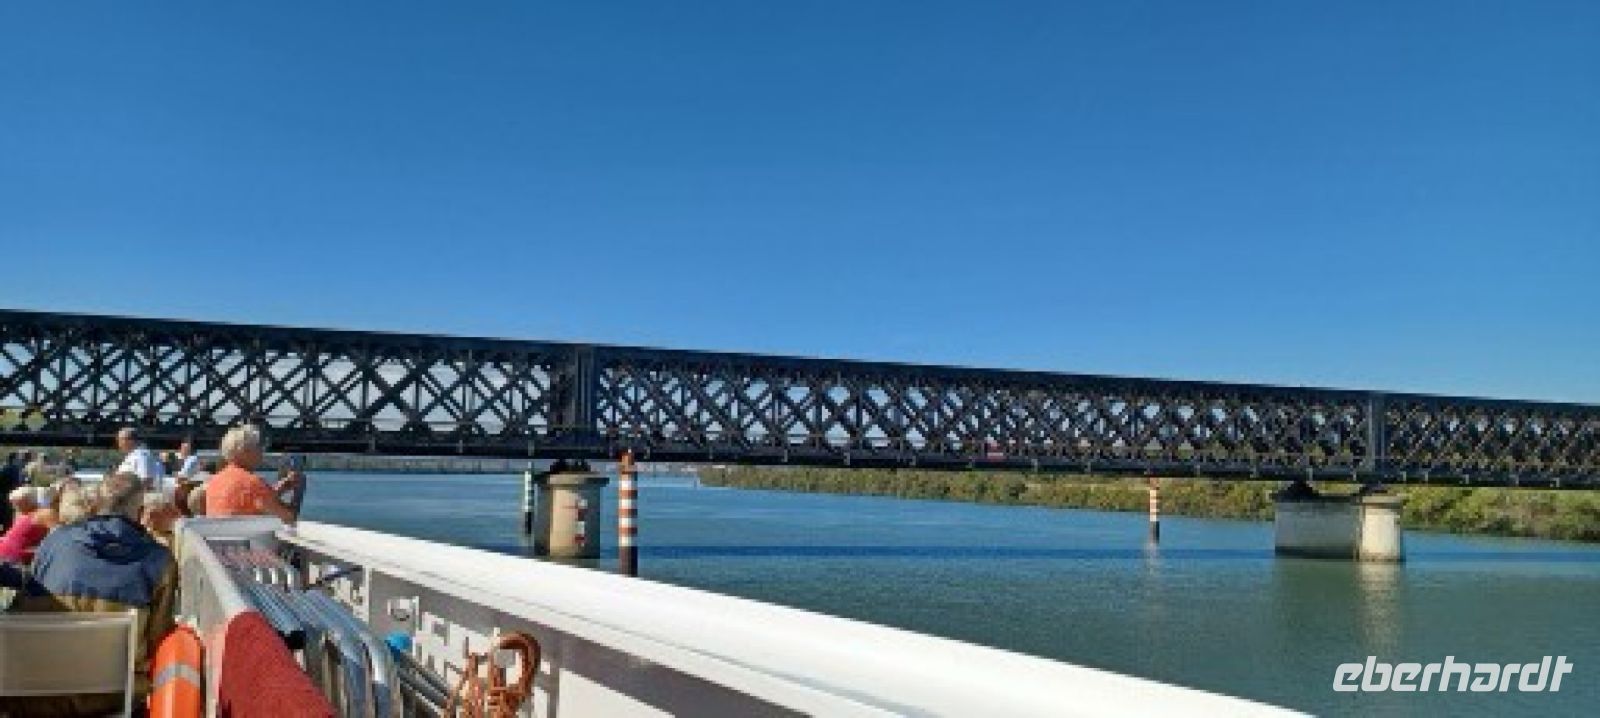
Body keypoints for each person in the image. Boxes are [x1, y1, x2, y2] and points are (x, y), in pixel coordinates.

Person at [5, 472, 177, 715]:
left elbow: (25, 607)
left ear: (95, 505)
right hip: (111, 699)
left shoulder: (55, 543)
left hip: (34, 697)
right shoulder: (160, 560)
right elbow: (158, 640)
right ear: (141, 512)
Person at [205, 425, 301, 522]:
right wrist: (298, 491)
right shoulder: (252, 483)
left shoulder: (215, 480)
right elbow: (288, 519)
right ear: (245, 450)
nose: (262, 451)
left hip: (218, 535)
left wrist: (281, 489)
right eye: (259, 446)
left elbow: (250, 499)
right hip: (247, 536)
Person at [0, 487, 49, 564]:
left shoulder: (37, 517)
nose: (14, 508)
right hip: (9, 557)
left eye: (17, 504)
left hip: (11, 559)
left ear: (27, 503)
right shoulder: (27, 516)